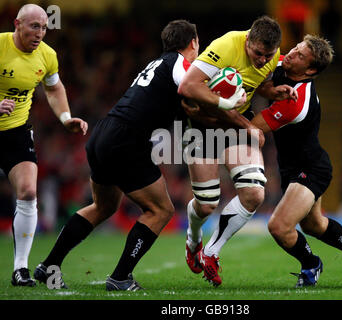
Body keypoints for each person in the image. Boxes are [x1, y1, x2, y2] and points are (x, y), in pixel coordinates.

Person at [33, 19, 200, 291]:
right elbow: (189, 90)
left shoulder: (157, 64)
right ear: (193, 43)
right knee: (161, 210)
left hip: (104, 134)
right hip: (127, 141)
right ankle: (121, 277)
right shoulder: (182, 65)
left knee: (104, 207)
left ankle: (48, 266)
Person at [250, 34, 342, 287]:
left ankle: (311, 264)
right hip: (292, 167)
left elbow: (251, 128)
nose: (290, 54)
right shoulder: (280, 64)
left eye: (300, 55)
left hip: (311, 169)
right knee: (314, 225)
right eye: (295, 48)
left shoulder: (297, 101)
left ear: (310, 70)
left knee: (279, 227)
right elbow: (253, 75)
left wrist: (217, 108)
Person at [178, 16, 297, 287]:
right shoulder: (225, 46)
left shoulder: (271, 53)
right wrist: (244, 122)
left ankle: (211, 252)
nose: (262, 60)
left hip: (235, 126)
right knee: (207, 204)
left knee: (254, 192)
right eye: (257, 53)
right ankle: (193, 239)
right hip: (203, 126)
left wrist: (273, 91)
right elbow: (187, 86)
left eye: (268, 56)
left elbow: (256, 84)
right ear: (247, 41)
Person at [0, 4, 88, 287]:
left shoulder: (47, 55)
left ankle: (20, 269)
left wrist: (65, 117)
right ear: (17, 24)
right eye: (34, 26)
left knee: (27, 192)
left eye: (44, 28)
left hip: (15, 132)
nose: (39, 33)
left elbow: (53, 88)